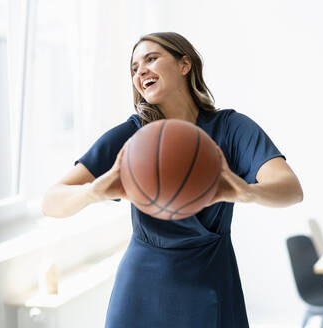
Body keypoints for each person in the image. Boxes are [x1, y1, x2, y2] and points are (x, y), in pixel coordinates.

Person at [42, 32, 303, 328]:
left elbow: (291, 190)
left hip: (211, 280)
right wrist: (93, 192)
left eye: (151, 58)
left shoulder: (231, 128)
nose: (140, 71)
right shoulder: (132, 136)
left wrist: (245, 193)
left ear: (184, 65)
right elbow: (51, 202)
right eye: (134, 68)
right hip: (142, 286)